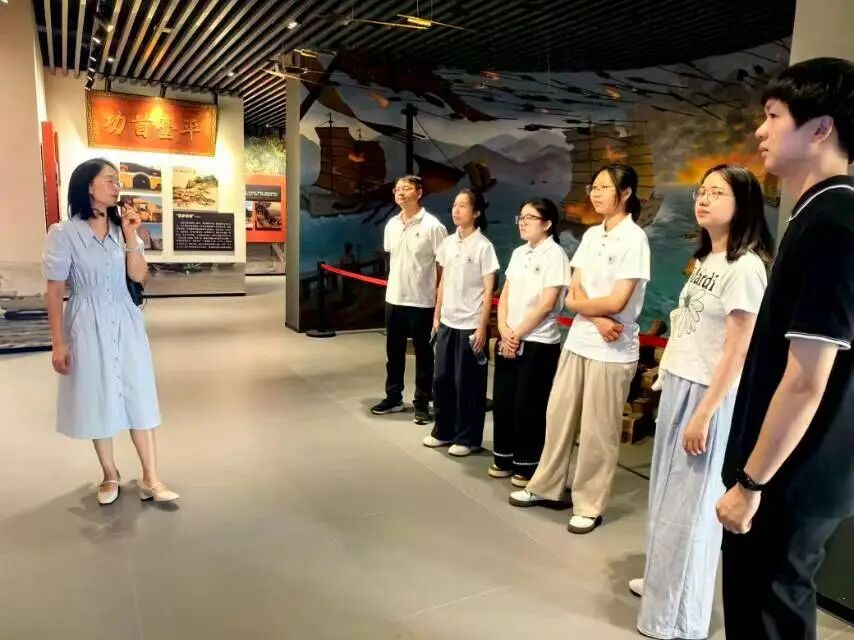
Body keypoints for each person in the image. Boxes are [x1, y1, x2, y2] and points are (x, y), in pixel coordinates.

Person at [716, 57, 854, 640]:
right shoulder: (817, 214)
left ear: (820, 128)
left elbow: (805, 379)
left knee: (768, 615)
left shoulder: (833, 222)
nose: (760, 130)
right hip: (793, 472)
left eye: (773, 116)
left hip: (790, 479)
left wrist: (752, 484)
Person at [631, 165, 774, 640]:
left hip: (707, 394)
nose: (704, 199)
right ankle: (661, 585)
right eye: (701, 191)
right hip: (680, 384)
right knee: (667, 496)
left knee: (691, 509)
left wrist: (706, 412)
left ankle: (679, 617)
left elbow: (738, 350)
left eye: (717, 193)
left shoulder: (745, 267)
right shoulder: (708, 258)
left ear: (743, 204)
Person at [510, 164, 650, 535]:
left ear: (625, 193)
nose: (596, 193)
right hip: (581, 341)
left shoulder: (634, 239)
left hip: (613, 350)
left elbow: (619, 299)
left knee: (598, 431)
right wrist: (599, 318)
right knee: (558, 417)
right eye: (594, 187)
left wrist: (595, 314)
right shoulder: (591, 235)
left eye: (604, 187)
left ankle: (589, 504)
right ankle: (545, 486)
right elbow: (573, 294)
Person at [42, 158, 178, 505]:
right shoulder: (64, 234)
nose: (117, 186)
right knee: (97, 393)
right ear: (88, 186)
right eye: (109, 180)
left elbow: (138, 277)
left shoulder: (122, 229)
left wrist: (132, 236)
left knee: (139, 391)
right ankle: (109, 473)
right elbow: (54, 292)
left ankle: (151, 477)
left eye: (118, 181)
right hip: (86, 321)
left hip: (126, 318)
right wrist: (58, 342)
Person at [490, 198, 570, 486]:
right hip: (509, 336)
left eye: (529, 218)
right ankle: (504, 457)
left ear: (547, 224)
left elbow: (547, 304)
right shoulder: (519, 253)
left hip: (538, 341)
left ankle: (527, 464)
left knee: (529, 405)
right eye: (520, 217)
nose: (522, 222)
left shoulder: (555, 255)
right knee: (504, 400)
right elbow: (505, 295)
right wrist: (504, 329)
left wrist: (517, 333)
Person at [422, 189, 499, 456]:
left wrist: (482, 326)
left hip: (470, 324)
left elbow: (488, 290)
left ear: (476, 212)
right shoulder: (448, 243)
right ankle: (443, 430)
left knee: (468, 383)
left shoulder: (483, 246)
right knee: (441, 379)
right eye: (455, 205)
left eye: (463, 206)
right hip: (447, 321)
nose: (456, 210)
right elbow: (443, 281)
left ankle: (468, 438)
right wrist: (436, 315)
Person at [371, 176, 448, 425]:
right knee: (393, 352)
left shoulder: (433, 226)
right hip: (394, 297)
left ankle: (422, 402)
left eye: (407, 188)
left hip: (422, 300)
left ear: (419, 192)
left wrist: (439, 298)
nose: (401, 193)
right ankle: (393, 397)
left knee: (424, 355)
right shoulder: (392, 224)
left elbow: (443, 265)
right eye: (397, 189)